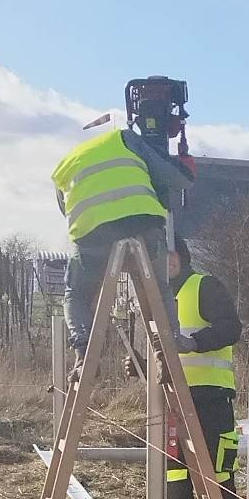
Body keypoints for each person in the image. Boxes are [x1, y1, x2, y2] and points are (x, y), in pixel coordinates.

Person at [51, 108, 192, 353]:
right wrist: (186, 166)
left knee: (77, 294)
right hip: (143, 225)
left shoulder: (64, 165)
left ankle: (82, 344)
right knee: (159, 287)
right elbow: (176, 179)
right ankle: (170, 339)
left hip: (94, 234)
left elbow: (66, 210)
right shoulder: (124, 138)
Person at [165, 235, 245, 499]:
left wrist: (195, 342)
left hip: (210, 399)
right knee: (175, 472)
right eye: (161, 256)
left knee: (218, 472)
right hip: (173, 399)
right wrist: (140, 364)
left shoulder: (204, 286)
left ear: (183, 256)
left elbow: (231, 328)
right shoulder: (157, 297)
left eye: (172, 254)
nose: (168, 261)